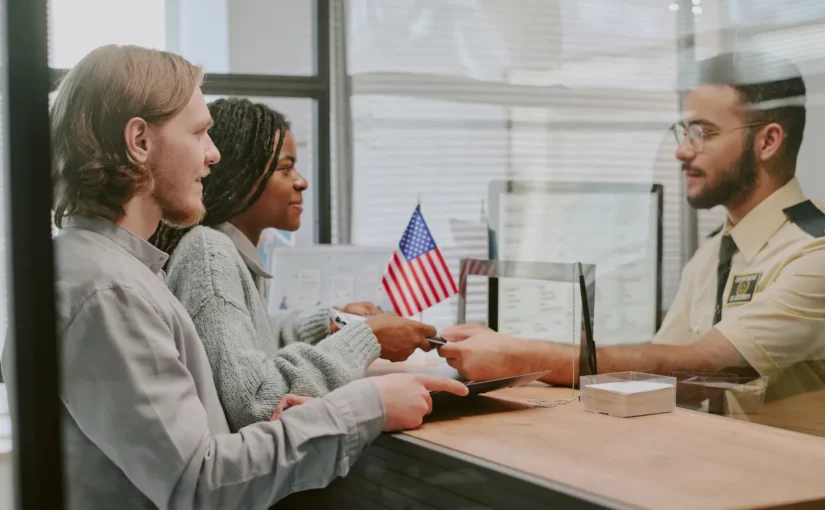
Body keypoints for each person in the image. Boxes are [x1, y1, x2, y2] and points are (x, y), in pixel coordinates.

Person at [0, 44, 468, 510]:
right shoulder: (108, 290)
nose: (213, 154)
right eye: (200, 133)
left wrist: (296, 418)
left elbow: (189, 442)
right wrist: (368, 406)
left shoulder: (114, 271)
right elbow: (200, 482)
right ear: (140, 141)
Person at [438, 51, 825, 432]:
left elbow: (706, 363)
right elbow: (671, 379)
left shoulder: (814, 252)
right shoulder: (713, 251)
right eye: (684, 132)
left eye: (703, 133)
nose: (682, 150)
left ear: (768, 142)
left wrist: (520, 358)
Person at [150, 98, 438, 431]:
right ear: (240, 176)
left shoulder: (224, 248)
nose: (301, 182)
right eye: (286, 169)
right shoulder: (210, 253)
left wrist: (329, 323)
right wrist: (365, 339)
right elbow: (258, 402)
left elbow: (250, 339)